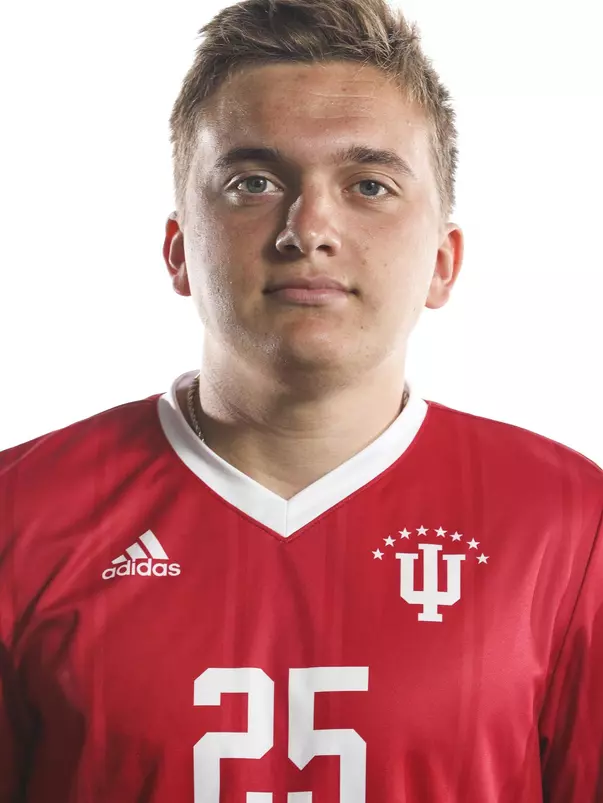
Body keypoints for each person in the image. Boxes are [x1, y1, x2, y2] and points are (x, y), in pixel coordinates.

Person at [1, 0, 602, 800]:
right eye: (253, 182)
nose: (308, 226)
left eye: (369, 184)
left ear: (442, 262)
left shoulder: (566, 521)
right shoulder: (20, 515)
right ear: (179, 249)